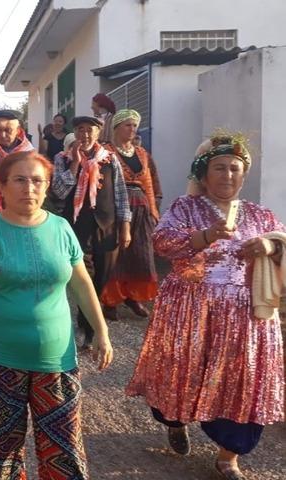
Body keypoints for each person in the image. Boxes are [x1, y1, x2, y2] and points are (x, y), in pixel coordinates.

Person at [0, 150, 113, 479]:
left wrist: (102, 332)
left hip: (57, 359)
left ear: (47, 185)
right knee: (2, 452)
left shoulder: (62, 228)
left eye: (37, 181)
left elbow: (82, 284)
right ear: (2, 186)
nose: (29, 188)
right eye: (20, 180)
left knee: (64, 450)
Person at [126, 133, 284, 480]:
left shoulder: (259, 214)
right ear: (203, 173)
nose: (228, 175)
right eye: (219, 167)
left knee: (241, 380)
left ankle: (229, 456)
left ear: (244, 174)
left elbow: (282, 240)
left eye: (235, 168)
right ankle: (176, 421)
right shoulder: (186, 208)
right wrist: (206, 236)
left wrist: (270, 247)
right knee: (182, 373)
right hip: (190, 310)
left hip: (245, 317)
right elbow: (162, 242)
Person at [51, 116, 131, 349]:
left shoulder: (110, 158)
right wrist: (75, 164)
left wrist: (125, 226)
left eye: (90, 130)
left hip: (107, 225)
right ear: (75, 133)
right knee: (82, 276)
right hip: (76, 226)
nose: (85, 134)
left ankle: (88, 321)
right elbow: (58, 191)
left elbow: (120, 194)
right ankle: (87, 328)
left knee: (103, 276)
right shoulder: (62, 158)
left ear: (98, 133)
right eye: (80, 129)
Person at [101, 109, 162, 320]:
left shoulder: (142, 154)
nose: (132, 129)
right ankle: (110, 300)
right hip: (116, 206)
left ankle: (132, 296)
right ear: (116, 127)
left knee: (141, 254)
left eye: (135, 125)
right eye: (128, 125)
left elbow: (150, 183)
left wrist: (153, 210)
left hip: (142, 208)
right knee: (116, 255)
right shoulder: (106, 152)